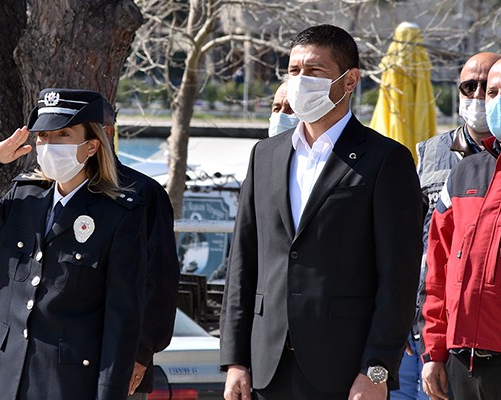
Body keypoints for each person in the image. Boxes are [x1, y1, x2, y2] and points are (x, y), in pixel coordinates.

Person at [220, 24, 424, 400]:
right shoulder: (265, 155)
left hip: (346, 372)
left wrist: (377, 371)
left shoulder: (385, 160)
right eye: (294, 70)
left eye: (314, 71)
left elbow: (399, 278)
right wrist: (235, 360)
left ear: (350, 81)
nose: (300, 80)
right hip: (267, 368)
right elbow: (242, 263)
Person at [0, 88, 147, 400]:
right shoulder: (24, 199)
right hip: (7, 380)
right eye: (43, 136)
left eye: (63, 134)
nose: (49, 145)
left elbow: (122, 320)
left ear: (91, 145)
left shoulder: (118, 215)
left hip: (68, 384)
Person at [401, 51, 501, 400]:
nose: (477, 96)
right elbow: (425, 251)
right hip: (438, 334)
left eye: (487, 88)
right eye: (469, 87)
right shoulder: (434, 154)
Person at [101, 99, 179, 399]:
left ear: (105, 133)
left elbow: (160, 279)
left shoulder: (142, 194)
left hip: (117, 362)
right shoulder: (44, 193)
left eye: (66, 133)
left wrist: (142, 352)